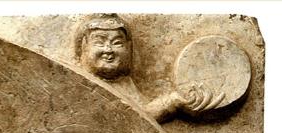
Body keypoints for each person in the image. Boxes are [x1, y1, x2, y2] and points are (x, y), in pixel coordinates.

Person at [75, 14, 221, 122]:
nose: (108, 50)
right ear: (83, 47)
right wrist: (170, 103)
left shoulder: (124, 83)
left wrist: (174, 102)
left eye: (117, 43)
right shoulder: (77, 85)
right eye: (99, 43)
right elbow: (116, 124)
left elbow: (140, 117)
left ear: (129, 48)